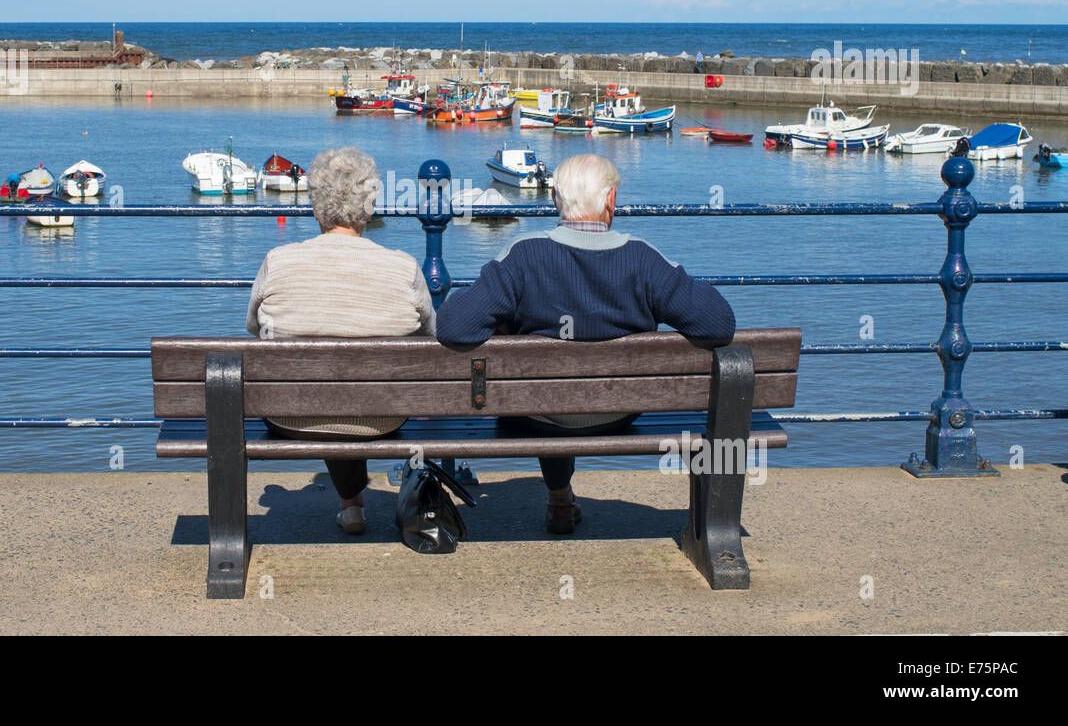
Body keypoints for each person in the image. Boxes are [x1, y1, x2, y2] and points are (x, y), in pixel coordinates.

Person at [436, 153, 734, 534]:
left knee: (546, 388)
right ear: (611, 200)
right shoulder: (643, 260)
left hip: (537, 411)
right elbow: (719, 323)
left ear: (556, 200)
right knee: (558, 388)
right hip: (622, 408)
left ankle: (559, 497)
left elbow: (453, 327)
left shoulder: (524, 256)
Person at [246, 147, 434, 535]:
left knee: (327, 389)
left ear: (315, 207)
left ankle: (351, 505)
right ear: (369, 209)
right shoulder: (403, 267)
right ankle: (352, 504)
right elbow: (428, 337)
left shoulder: (278, 262)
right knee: (353, 392)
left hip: (291, 414)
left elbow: (254, 327)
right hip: (381, 417)